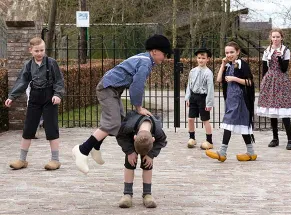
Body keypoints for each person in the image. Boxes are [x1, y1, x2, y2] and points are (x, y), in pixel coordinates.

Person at [72, 34, 172, 174]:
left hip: (113, 89)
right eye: (164, 54)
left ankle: (96, 147)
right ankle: (82, 150)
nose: (165, 58)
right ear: (154, 51)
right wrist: (139, 107)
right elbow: (137, 86)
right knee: (113, 123)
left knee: (118, 122)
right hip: (107, 89)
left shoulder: (144, 59)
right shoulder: (145, 63)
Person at [5, 37, 65, 170]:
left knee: (51, 127)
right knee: (28, 127)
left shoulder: (51, 63)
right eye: (36, 51)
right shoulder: (28, 65)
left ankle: (55, 160)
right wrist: (12, 97)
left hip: (50, 97)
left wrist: (57, 94)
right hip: (35, 96)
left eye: (42, 50)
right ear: (30, 50)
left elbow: (59, 81)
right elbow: (22, 81)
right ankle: (22, 160)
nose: (39, 53)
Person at [205, 41, 256, 162]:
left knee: (228, 123)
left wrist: (234, 78)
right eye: (227, 53)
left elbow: (250, 82)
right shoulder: (229, 66)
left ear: (238, 52)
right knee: (242, 125)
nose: (229, 55)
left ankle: (222, 152)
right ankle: (251, 152)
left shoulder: (241, 64)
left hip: (240, 100)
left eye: (232, 52)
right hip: (231, 100)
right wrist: (223, 65)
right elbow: (218, 80)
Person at [116, 110, 167, 208]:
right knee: (130, 162)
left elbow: (162, 141)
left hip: (147, 141)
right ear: (134, 137)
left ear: (153, 139)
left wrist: (151, 155)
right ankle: (127, 194)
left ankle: (147, 194)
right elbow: (120, 136)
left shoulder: (158, 130)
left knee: (147, 163)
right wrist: (130, 151)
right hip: (130, 137)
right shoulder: (128, 126)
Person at [256, 28, 291, 150]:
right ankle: (275, 138)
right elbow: (264, 68)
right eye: (273, 37)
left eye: (278, 37)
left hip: (281, 81)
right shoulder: (267, 51)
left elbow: (284, 69)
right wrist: (263, 83)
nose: (276, 39)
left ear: (281, 38)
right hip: (269, 80)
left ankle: (290, 139)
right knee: (272, 110)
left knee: (283, 111)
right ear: (270, 38)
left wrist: (279, 58)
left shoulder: (285, 50)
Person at [185, 48, 214, 149]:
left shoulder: (208, 73)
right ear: (196, 59)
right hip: (193, 96)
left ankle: (209, 141)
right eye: (199, 58)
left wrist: (209, 103)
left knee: (205, 120)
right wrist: (187, 98)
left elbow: (210, 88)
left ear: (208, 59)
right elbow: (189, 85)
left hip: (203, 98)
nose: (201, 60)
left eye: (203, 58)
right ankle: (192, 138)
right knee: (190, 118)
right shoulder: (192, 71)